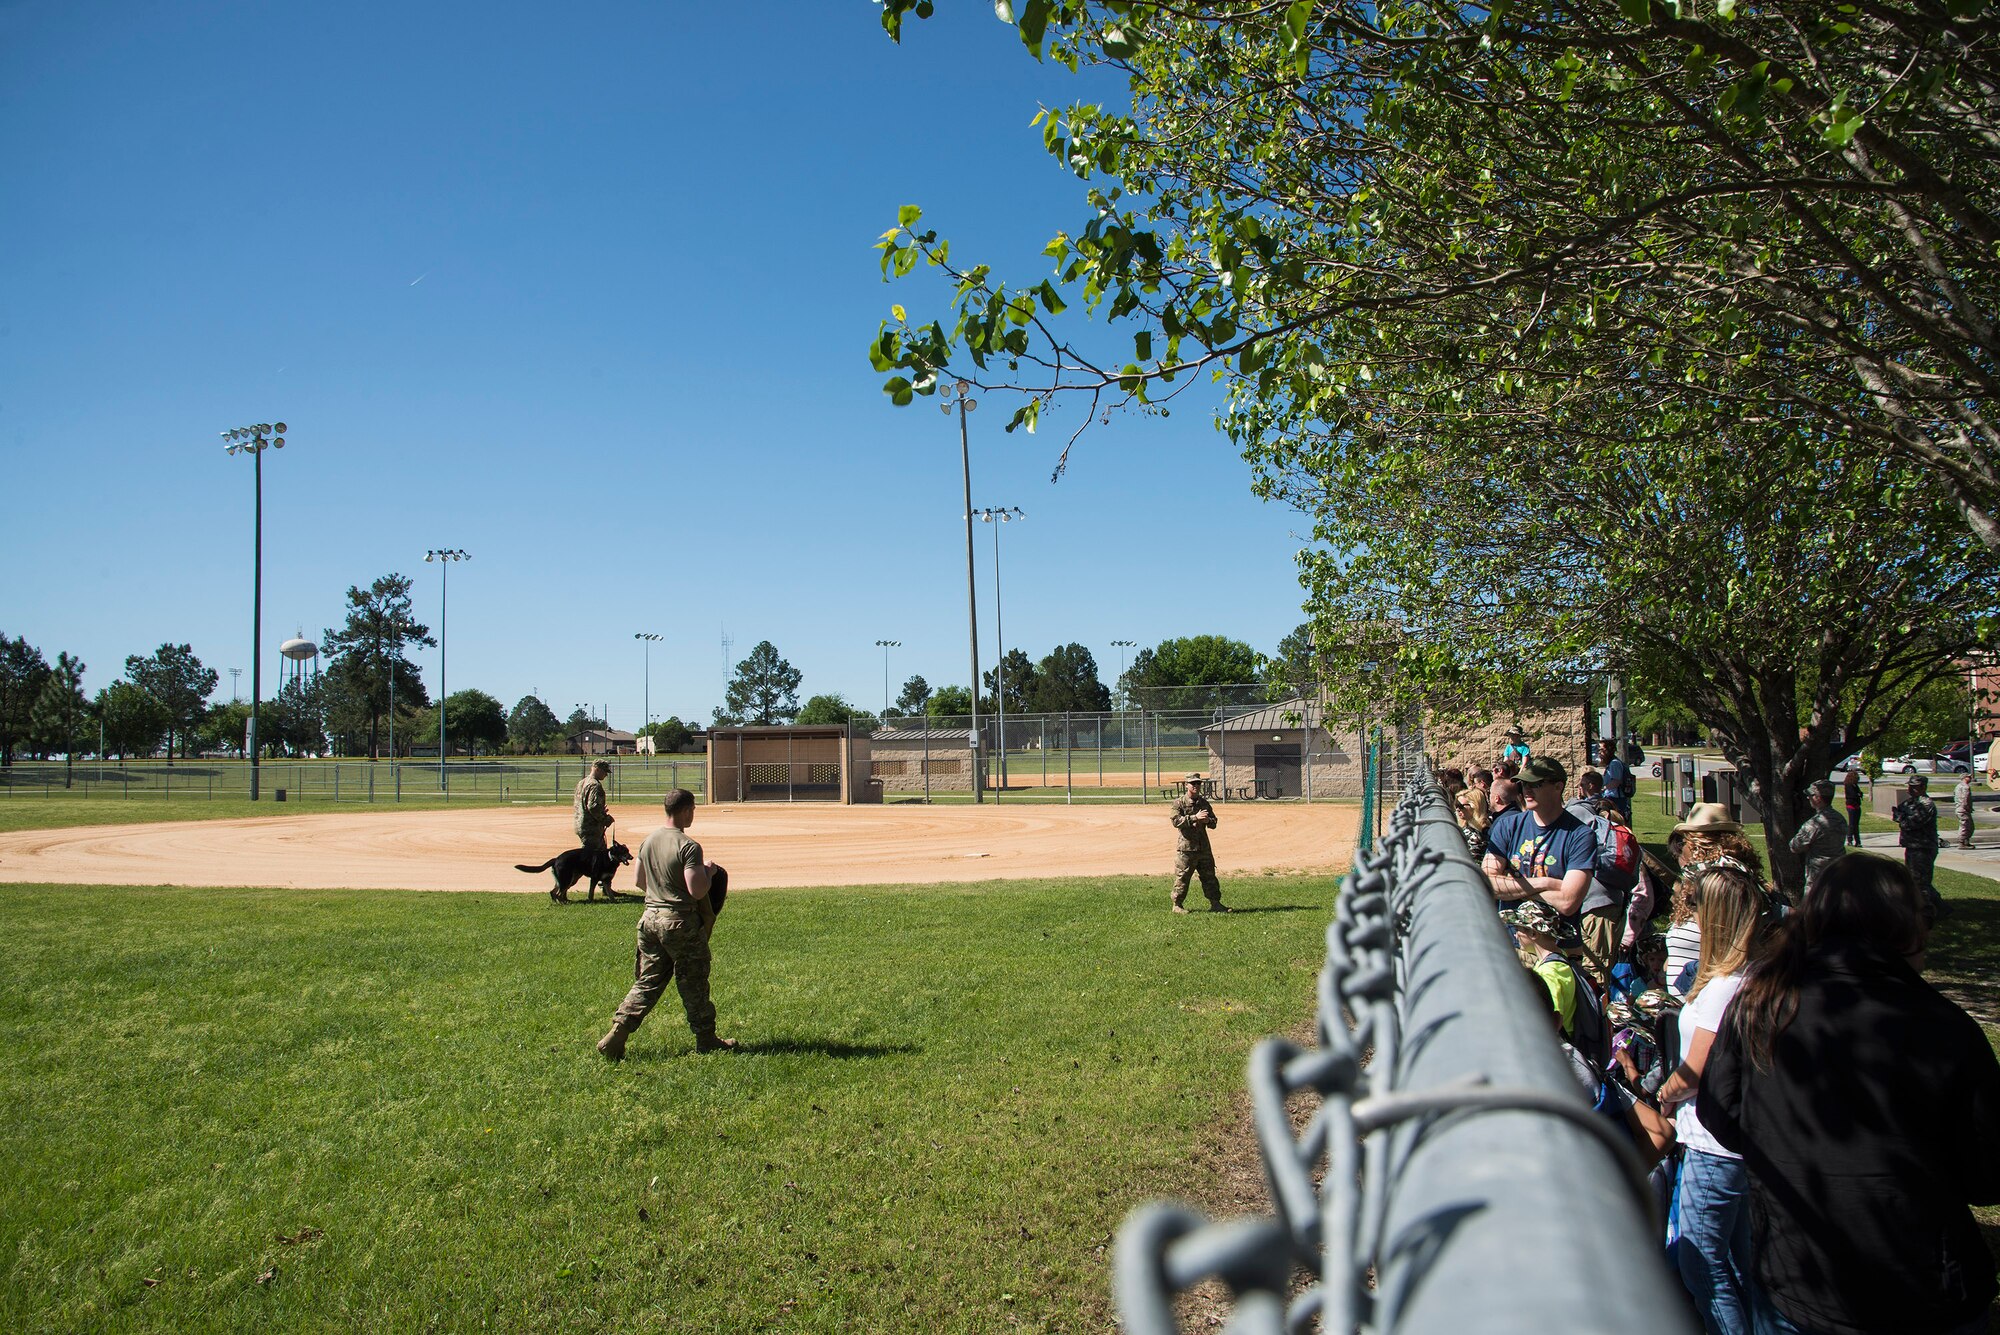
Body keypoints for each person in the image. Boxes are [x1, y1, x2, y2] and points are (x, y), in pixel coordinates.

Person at [1701, 855, 2000, 1335]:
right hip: (1906, 1289)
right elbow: (1987, 1174)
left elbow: (1722, 1114)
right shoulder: (1946, 1027)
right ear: (1902, 926)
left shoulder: (1760, 1006)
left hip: (1803, 1276)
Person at [1657, 860, 1772, 1335]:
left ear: (1717, 918)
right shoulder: (1751, 975)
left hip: (1712, 1145)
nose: (1691, 918)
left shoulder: (1725, 988)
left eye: (1699, 909)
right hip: (1739, 1141)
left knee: (1701, 1262)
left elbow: (1696, 1071)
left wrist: (1664, 1093)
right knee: (1742, 1258)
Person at [597, 788, 736, 1059]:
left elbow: (639, 881)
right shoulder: (688, 846)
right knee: (694, 981)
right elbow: (696, 890)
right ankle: (706, 1039)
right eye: (693, 809)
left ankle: (618, 1032)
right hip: (679, 922)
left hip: (649, 920)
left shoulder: (648, 841)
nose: (693, 814)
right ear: (685, 810)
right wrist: (709, 872)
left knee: (648, 980)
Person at [1484, 756, 1596, 926]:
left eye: (1535, 784)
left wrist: (1512, 884)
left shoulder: (1580, 835)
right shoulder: (1508, 826)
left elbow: (1568, 902)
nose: (1527, 790)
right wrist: (1547, 883)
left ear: (1558, 787)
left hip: (1559, 946)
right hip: (1512, 942)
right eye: (1524, 784)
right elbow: (1487, 883)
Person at [1563, 772, 1633, 989]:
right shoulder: (1595, 819)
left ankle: (1598, 1019)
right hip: (1604, 903)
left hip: (1598, 905)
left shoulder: (1577, 815)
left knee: (1595, 970)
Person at [1169, 772, 1227, 914]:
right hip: (1186, 848)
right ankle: (1177, 905)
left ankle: (1215, 903)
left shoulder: (1204, 803)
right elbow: (1176, 821)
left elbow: (1214, 823)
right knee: (1182, 877)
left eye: (1198, 783)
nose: (1196, 786)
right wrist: (1194, 817)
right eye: (1193, 783)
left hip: (1203, 848)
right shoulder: (1179, 803)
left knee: (1209, 877)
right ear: (1186, 785)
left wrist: (1208, 821)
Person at [1891, 774, 1943, 921]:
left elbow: (1911, 823)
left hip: (1924, 847)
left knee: (1921, 882)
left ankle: (1927, 913)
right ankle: (1939, 908)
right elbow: (1898, 812)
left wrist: (1902, 818)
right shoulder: (1910, 803)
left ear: (1923, 788)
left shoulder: (1926, 804)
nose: (1910, 790)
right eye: (1910, 786)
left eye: (1914, 787)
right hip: (1912, 845)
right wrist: (1901, 817)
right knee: (1914, 879)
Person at [1787, 779, 1848, 890]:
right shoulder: (1840, 819)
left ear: (1818, 798)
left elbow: (1794, 846)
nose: (1808, 797)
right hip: (1839, 873)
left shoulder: (1814, 824)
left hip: (1818, 878)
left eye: (1811, 795)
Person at [574, 759, 614, 855]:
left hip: (580, 823)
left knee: (589, 854)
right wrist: (605, 819)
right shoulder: (595, 785)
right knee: (595, 856)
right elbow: (593, 807)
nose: (606, 775)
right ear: (597, 769)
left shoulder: (582, 783)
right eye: (604, 771)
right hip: (591, 827)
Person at [1599, 739, 1636, 822]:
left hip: (1615, 799)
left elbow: (1616, 782)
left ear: (1608, 750)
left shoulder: (1614, 763)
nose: (1599, 753)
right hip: (1612, 798)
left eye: (1601, 750)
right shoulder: (1611, 763)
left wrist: (1603, 788)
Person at [1841, 765, 1864, 847]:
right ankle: (1850, 840)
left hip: (1857, 806)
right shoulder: (1848, 785)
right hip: (1851, 806)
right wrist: (1858, 795)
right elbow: (1852, 795)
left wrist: (1860, 794)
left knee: (1856, 824)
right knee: (1852, 824)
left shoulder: (1855, 785)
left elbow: (1859, 793)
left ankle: (1858, 841)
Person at [1953, 770, 1974, 850]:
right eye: (1969, 777)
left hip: (1958, 808)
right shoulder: (1966, 787)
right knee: (1966, 826)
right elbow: (1965, 798)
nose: (1970, 778)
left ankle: (1966, 842)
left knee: (1968, 826)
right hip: (1963, 809)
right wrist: (1967, 807)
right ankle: (1962, 843)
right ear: (1964, 778)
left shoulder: (1958, 786)